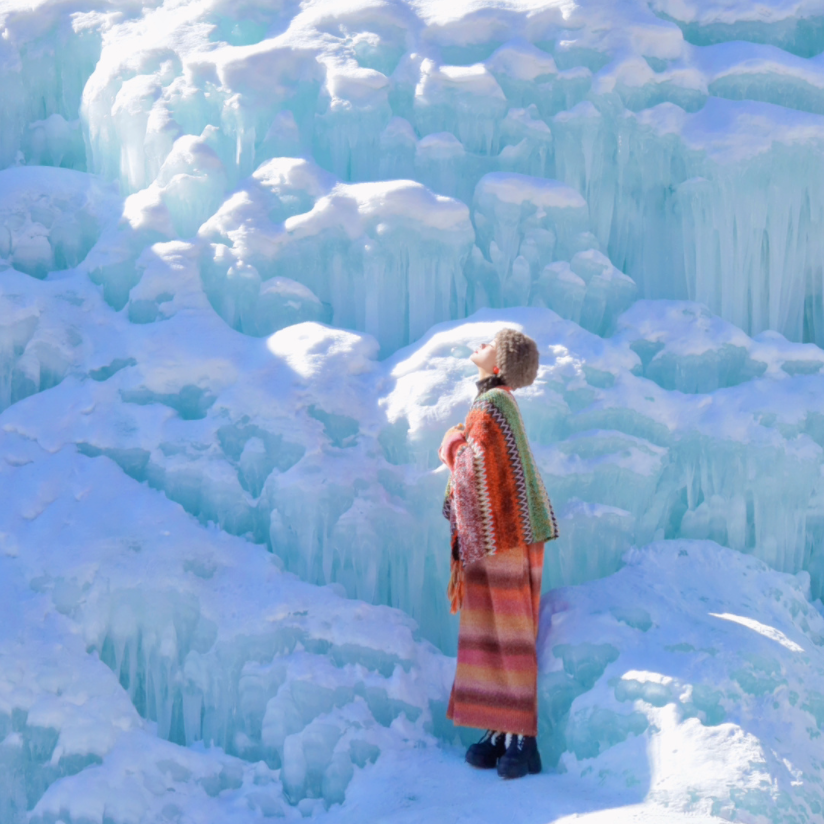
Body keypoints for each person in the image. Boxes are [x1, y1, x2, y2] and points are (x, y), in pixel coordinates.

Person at [438, 328, 558, 779]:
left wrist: (450, 443)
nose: (479, 344)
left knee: (508, 633)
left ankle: (523, 739)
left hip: (506, 533)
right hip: (501, 533)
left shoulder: (494, 404)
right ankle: (498, 729)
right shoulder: (492, 403)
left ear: (501, 364)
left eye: (489, 343)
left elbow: (477, 465)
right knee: (493, 631)